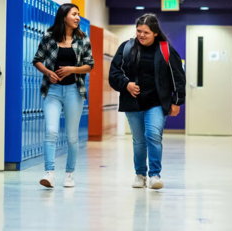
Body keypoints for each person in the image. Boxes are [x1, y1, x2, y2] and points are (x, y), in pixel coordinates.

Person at [108, 13, 186, 190]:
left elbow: (178, 77)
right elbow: (113, 75)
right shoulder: (126, 47)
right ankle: (140, 174)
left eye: (146, 32)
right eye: (139, 31)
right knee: (138, 140)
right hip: (133, 103)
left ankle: (155, 175)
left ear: (155, 32)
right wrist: (126, 84)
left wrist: (177, 101)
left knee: (153, 135)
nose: (141, 35)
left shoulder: (166, 50)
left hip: (157, 102)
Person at [32, 3, 94, 188]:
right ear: (64, 16)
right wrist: (47, 72)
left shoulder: (83, 38)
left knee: (72, 137)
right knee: (50, 131)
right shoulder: (49, 36)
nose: (77, 17)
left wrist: (72, 70)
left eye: (78, 14)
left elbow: (90, 65)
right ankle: (49, 173)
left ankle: (69, 173)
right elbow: (37, 60)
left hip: (74, 90)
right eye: (74, 14)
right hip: (53, 91)